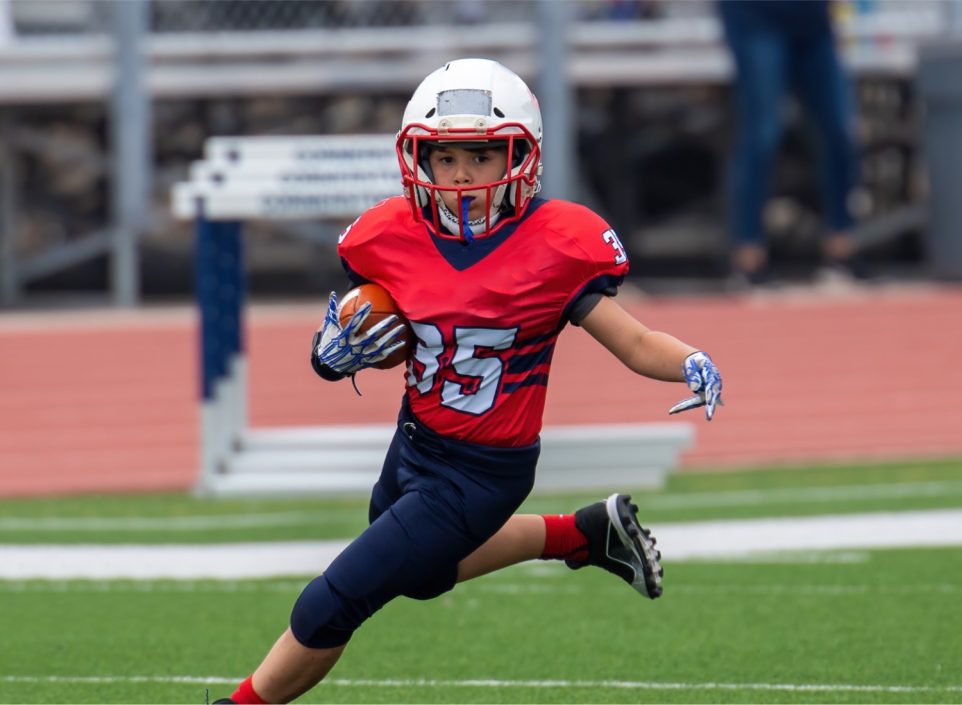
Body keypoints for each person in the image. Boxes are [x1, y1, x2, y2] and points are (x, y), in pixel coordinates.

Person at [215, 58, 723, 705]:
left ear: (519, 157)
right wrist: (331, 356)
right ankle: (585, 532)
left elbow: (633, 339)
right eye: (445, 155)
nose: (460, 173)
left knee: (331, 600)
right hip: (415, 442)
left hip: (485, 470)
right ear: (418, 159)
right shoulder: (391, 235)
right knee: (422, 576)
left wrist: (689, 360)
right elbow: (360, 336)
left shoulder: (555, 245)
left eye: (481, 156)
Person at [718, 0, 865, 284]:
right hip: (756, 18)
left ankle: (842, 250)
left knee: (841, 131)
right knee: (762, 136)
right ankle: (748, 257)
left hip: (813, 21)